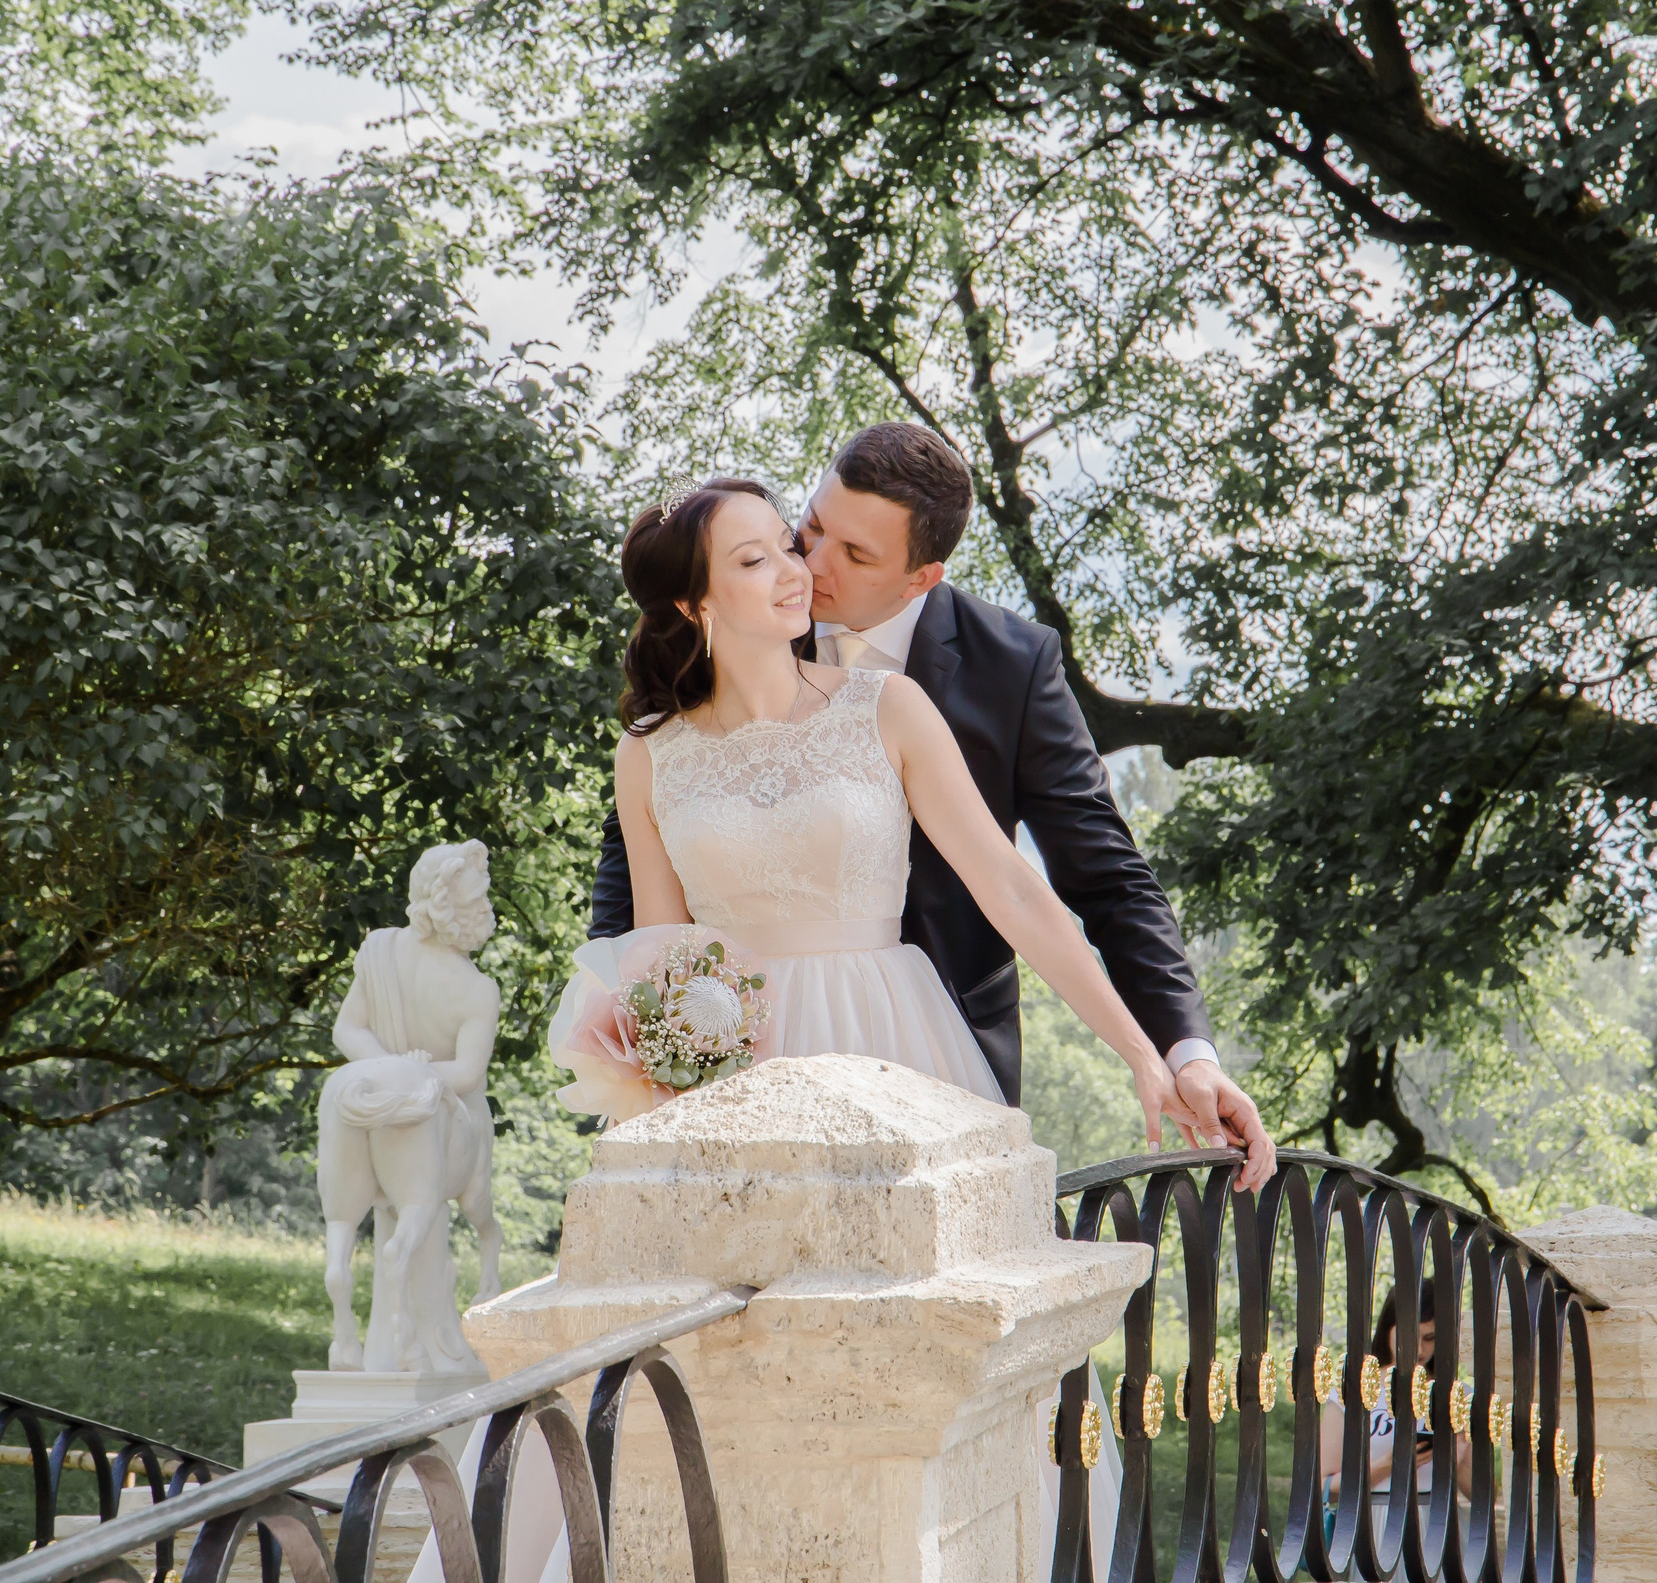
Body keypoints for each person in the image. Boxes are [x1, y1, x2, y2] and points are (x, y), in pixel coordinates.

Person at [587, 425, 1277, 1182]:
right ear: (695, 602)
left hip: (916, 1036)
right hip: (735, 1058)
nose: (809, 566)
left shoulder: (984, 674)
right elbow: (646, 925)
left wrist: (1168, 1055)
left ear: (921, 578)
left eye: (854, 555)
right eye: (807, 530)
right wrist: (630, 1079)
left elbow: (1071, 882)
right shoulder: (658, 741)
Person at [1318, 1283, 1472, 1579]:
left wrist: (1458, 1459)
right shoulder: (1353, 1392)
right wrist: (1387, 1466)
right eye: (1409, 1336)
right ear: (1387, 1329)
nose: (1419, 1349)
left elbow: (1483, 1496)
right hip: (1373, 1526)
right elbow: (1324, 1486)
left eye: (1430, 1338)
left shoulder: (1458, 1395)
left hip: (1439, 1526)